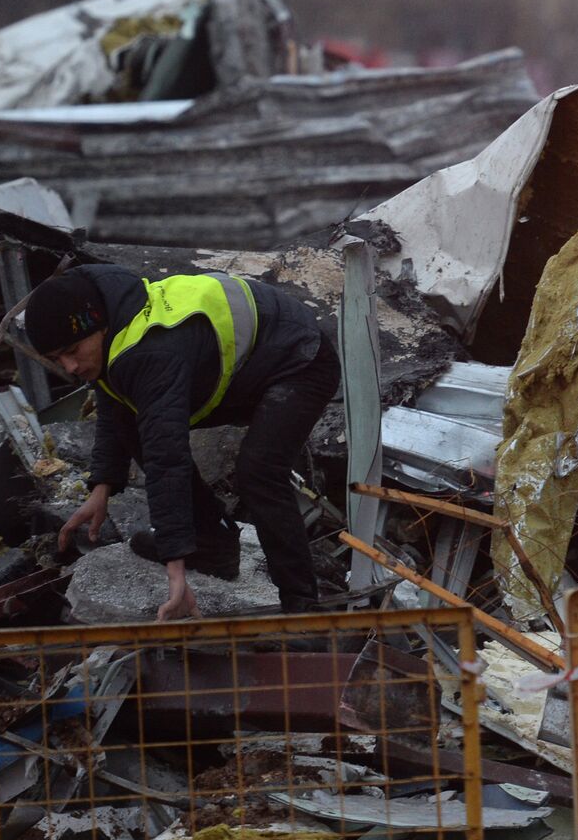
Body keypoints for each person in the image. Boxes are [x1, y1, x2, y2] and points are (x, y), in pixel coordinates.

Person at [26, 264, 342, 619]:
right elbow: (115, 404)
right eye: (56, 360)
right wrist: (102, 487)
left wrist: (174, 568)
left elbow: (167, 455)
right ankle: (211, 542)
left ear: (98, 325)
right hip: (242, 366)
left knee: (259, 471)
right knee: (137, 421)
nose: (68, 367)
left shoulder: (150, 351)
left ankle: (303, 609)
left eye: (72, 350)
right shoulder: (111, 330)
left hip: (300, 359)